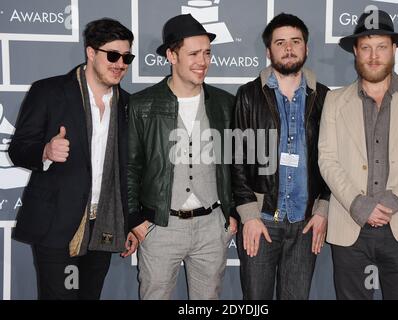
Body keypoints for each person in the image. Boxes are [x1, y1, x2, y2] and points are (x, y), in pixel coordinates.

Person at [9, 18, 138, 300]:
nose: (120, 64)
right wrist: (44, 151)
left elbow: (128, 170)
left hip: (103, 225)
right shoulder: (50, 92)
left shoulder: (128, 104)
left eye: (126, 57)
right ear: (91, 53)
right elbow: (18, 149)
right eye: (112, 55)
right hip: (58, 224)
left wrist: (129, 222)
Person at [318, 9, 398, 300]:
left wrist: (391, 202)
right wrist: (360, 205)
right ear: (355, 53)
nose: (374, 56)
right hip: (350, 225)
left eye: (381, 47)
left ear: (394, 49)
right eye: (366, 48)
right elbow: (327, 159)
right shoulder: (334, 101)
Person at [128, 14, 237, 300]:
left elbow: (236, 164)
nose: (203, 61)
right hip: (161, 226)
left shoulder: (225, 104)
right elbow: (129, 167)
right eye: (193, 53)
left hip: (212, 226)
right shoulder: (142, 105)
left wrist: (233, 214)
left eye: (207, 53)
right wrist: (134, 219)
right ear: (171, 55)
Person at [232, 13, 330, 300]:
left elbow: (332, 159)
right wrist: (248, 215)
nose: (288, 48)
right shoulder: (248, 95)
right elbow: (235, 159)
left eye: (295, 41)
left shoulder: (325, 97)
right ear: (268, 51)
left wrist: (323, 209)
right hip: (261, 221)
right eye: (280, 42)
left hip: (305, 222)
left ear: (306, 48)